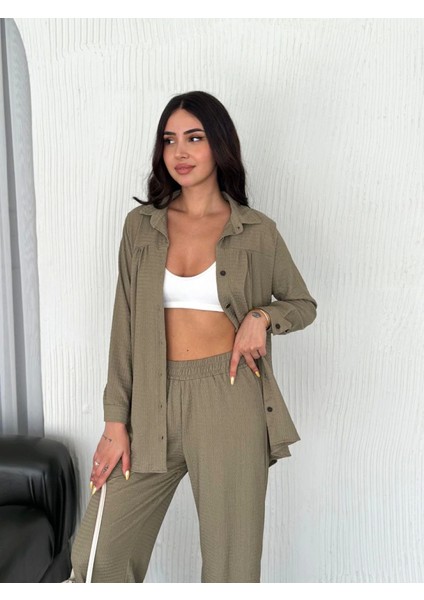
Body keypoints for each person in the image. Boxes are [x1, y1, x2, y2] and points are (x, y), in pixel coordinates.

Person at [71, 90, 317, 583]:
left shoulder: (256, 231)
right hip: (151, 401)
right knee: (98, 558)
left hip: (230, 400)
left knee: (231, 568)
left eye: (194, 138)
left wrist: (262, 317)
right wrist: (115, 422)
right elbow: (124, 324)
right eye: (169, 140)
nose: (179, 152)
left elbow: (302, 304)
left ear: (219, 145)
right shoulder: (141, 227)